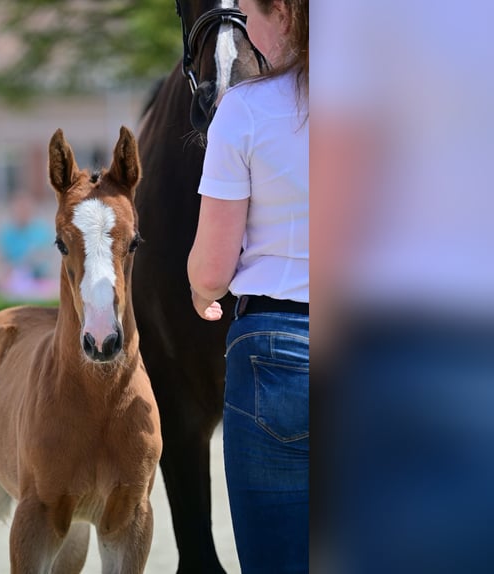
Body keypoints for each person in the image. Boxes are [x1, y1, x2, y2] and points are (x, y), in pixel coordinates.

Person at [186, 1, 309, 572]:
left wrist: (200, 292)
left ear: (282, 12)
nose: (241, 27)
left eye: (248, 11)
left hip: (276, 353)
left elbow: (211, 270)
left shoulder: (243, 111)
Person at [0, 191, 54, 298]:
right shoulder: (6, 232)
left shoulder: (42, 230)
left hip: (39, 278)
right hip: (14, 279)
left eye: (26, 208)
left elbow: (46, 256)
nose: (23, 211)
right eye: (19, 208)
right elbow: (2, 260)